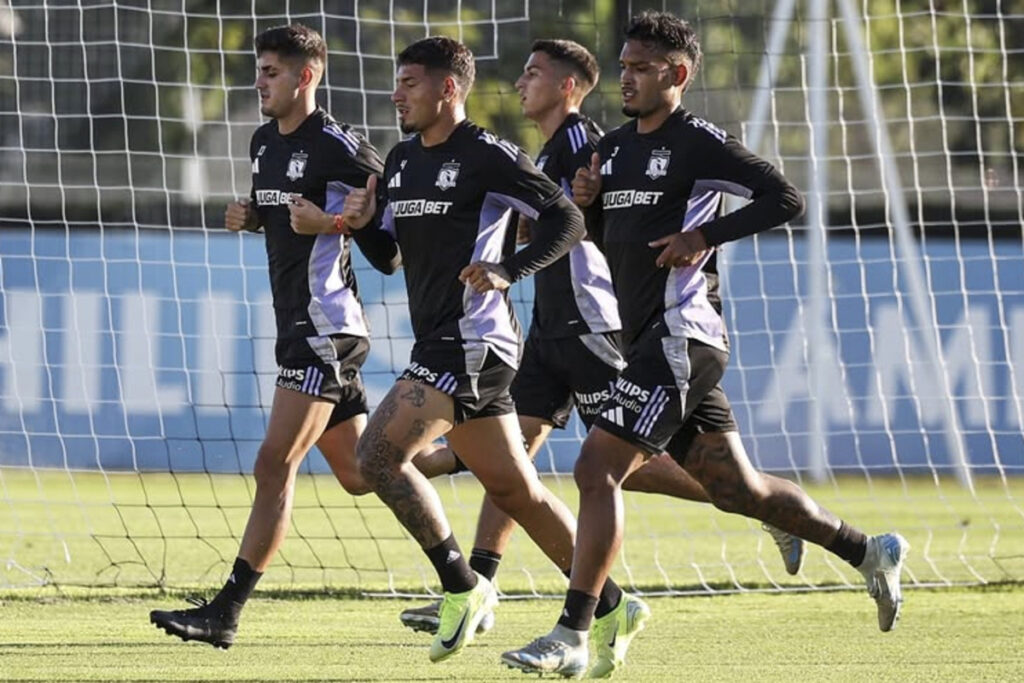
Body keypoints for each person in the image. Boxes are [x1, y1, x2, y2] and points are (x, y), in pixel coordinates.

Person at [502, 12, 909, 677]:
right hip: (649, 344)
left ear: (679, 74)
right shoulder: (618, 150)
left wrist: (705, 237)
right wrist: (593, 205)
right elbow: (616, 245)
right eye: (625, 66)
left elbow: (785, 197)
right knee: (734, 486)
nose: (626, 79)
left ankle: (576, 629)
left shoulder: (698, 143)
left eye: (640, 68)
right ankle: (869, 550)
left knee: (594, 469)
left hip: (683, 335)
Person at [397, 39, 806, 657]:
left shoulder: (589, 145)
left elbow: (587, 222)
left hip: (592, 327)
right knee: (514, 471)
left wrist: (542, 240)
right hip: (547, 330)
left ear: (567, 86)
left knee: (618, 467)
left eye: (533, 73)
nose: (519, 84)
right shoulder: (554, 150)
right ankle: (478, 588)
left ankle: (758, 506)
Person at [148, 23, 453, 649]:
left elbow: (388, 249)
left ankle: (225, 613)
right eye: (259, 71)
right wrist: (252, 215)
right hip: (298, 327)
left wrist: (337, 220)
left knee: (273, 463)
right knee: (360, 472)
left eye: (270, 72)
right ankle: (462, 568)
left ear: (305, 77)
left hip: (327, 329)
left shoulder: (343, 148)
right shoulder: (263, 142)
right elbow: (288, 216)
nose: (259, 82)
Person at [339, 36, 638, 666]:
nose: (397, 94)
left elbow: (567, 220)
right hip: (448, 340)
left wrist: (510, 269)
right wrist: (364, 221)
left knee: (375, 458)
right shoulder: (398, 162)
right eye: (397, 83)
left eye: (410, 83)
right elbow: (389, 259)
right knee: (514, 491)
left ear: (449, 88)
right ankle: (611, 604)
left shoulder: (488, 155)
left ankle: (462, 586)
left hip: (473, 340)